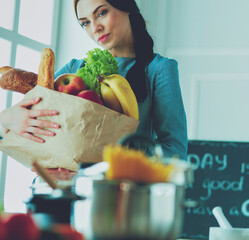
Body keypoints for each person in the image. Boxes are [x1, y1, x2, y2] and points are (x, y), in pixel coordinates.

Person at [0, 0, 188, 178]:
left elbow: (175, 151)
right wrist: (8, 118)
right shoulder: (74, 70)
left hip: (118, 194)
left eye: (101, 13)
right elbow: (36, 117)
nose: (95, 28)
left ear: (126, 6)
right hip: (59, 189)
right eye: (85, 23)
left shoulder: (158, 69)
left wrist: (96, 173)